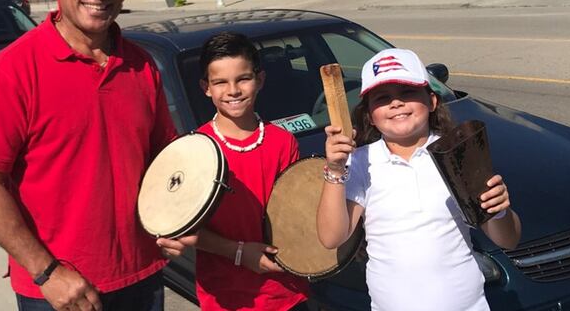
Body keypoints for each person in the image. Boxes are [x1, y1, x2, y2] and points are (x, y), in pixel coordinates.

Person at [0, 0, 194, 311]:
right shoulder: (13, 69)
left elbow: (164, 159)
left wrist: (177, 218)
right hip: (60, 288)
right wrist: (46, 272)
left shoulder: (140, 65)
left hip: (142, 274)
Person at [317, 48, 522, 311]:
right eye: (382, 98)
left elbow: (508, 239)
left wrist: (500, 211)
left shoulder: (458, 153)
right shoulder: (359, 162)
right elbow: (331, 238)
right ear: (369, 115)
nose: (396, 103)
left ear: (432, 101)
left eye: (407, 92)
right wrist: (335, 169)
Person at [193, 32, 310, 310]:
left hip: (286, 293)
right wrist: (239, 252)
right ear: (206, 87)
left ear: (260, 80)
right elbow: (185, 231)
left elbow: (296, 214)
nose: (233, 90)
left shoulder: (283, 142)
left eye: (243, 78)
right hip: (225, 297)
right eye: (220, 82)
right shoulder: (195, 149)